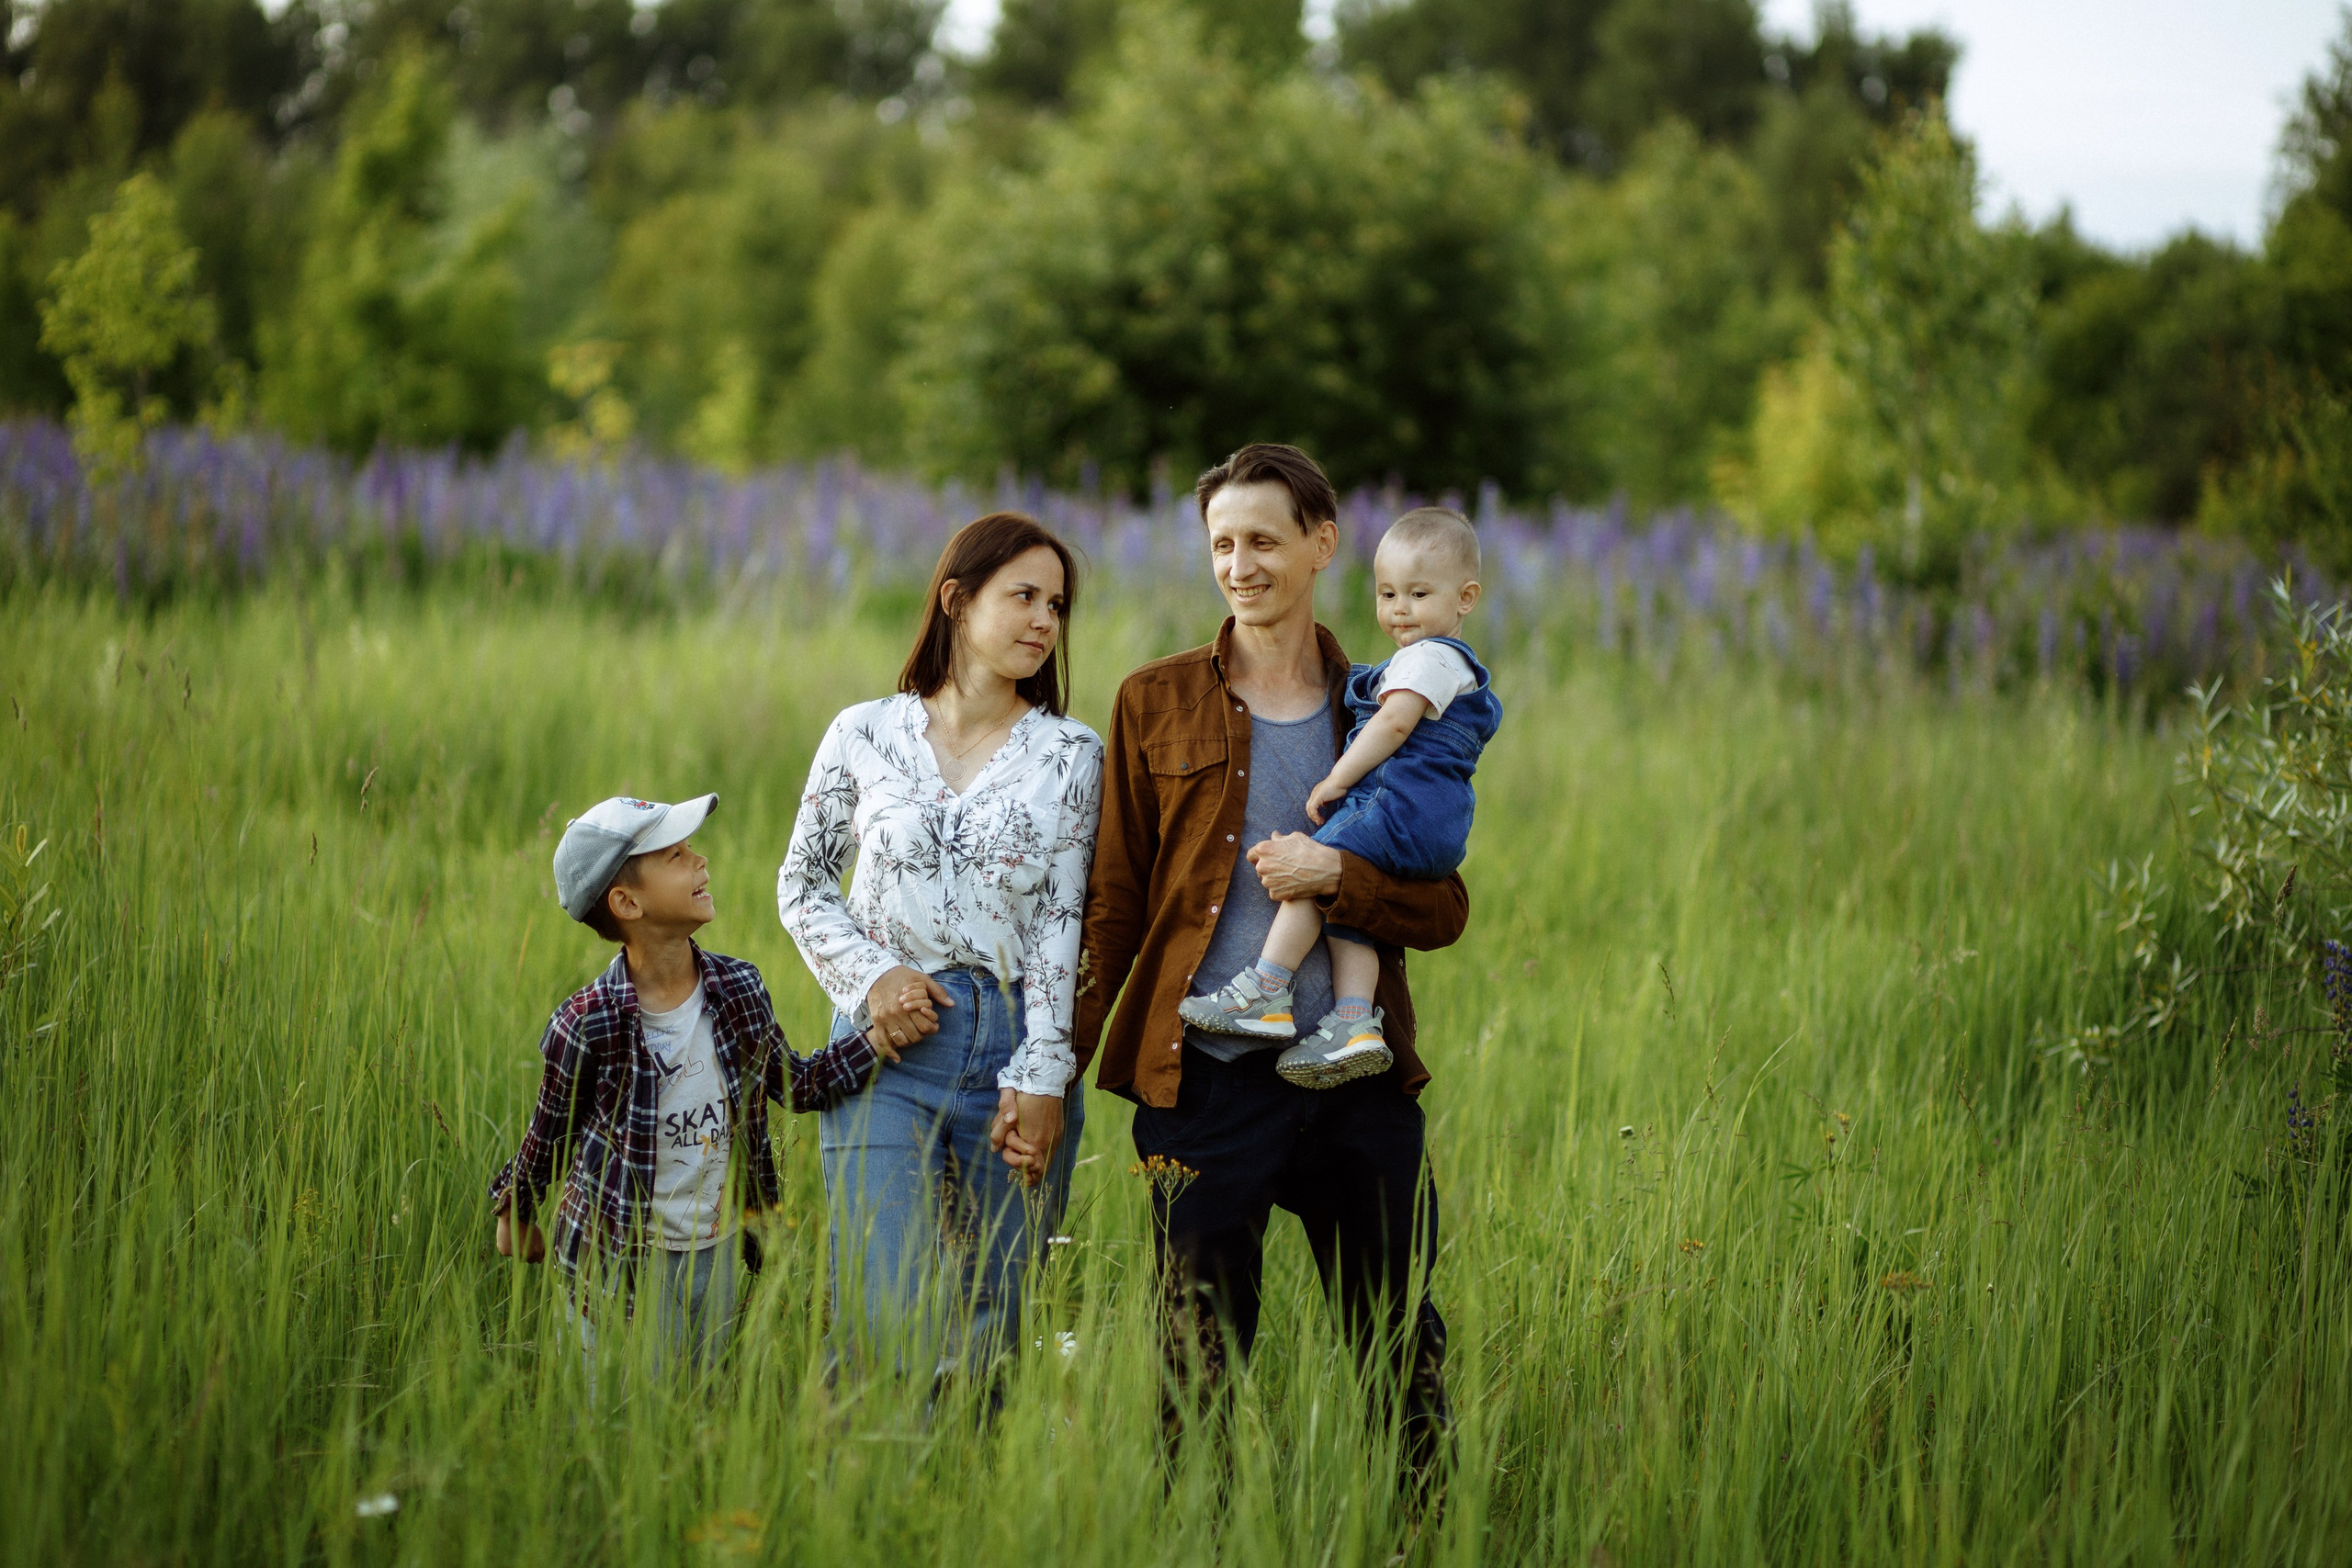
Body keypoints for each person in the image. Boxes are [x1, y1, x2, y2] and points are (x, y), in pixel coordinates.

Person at [1073, 444, 1466, 1488]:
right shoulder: (1152, 701)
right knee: (1195, 1359)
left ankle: (1422, 1543)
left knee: (1401, 1357)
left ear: (1321, 544)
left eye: (1262, 540)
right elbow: (1112, 904)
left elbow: (1444, 905)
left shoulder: (1398, 701)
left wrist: (1336, 871)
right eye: (1221, 545)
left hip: (1357, 1079)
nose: (1239, 565)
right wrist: (1048, 1070)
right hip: (1203, 1082)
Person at [777, 512, 1102, 1382]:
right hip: (884, 1049)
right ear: (957, 601)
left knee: (996, 1324)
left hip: (1011, 1044)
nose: (1045, 621)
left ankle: (970, 1503)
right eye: (1023, 596)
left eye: (1058, 605)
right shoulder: (863, 733)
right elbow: (801, 884)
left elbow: (1061, 927)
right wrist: (872, 975)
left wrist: (1043, 1076)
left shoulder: (1072, 753)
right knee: (887, 1317)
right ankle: (878, 1495)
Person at [490, 794, 884, 1380]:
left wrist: (875, 1042)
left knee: (703, 1401)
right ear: (626, 902)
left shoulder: (739, 989)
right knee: (626, 1416)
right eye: (675, 856)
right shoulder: (588, 1023)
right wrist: (515, 1211)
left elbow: (797, 1085)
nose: (700, 861)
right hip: (619, 1258)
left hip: (718, 1249)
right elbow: (547, 1136)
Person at [1181, 505, 1499, 1089]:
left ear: (1466, 598)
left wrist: (1337, 779)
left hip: (1395, 806)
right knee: (1349, 908)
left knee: (1310, 876)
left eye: (1419, 594)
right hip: (1432, 824)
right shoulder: (1452, 665)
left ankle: (1267, 987)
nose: (1400, 609)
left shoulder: (1429, 659)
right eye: (1387, 594)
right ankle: (1354, 1022)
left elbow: (1394, 725)